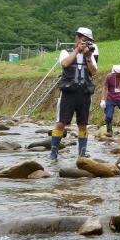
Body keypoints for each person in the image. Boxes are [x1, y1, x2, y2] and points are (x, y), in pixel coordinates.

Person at [50, 27, 98, 162]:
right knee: (61, 123)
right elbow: (65, 63)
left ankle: (82, 155)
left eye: (89, 41)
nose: (86, 43)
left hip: (84, 94)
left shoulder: (90, 55)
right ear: (77, 38)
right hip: (68, 93)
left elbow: (93, 72)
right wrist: (77, 50)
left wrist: (88, 57)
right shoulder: (65, 52)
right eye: (84, 40)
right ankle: (54, 154)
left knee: (83, 124)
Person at [100, 64, 120, 135]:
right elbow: (105, 88)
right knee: (108, 116)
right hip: (110, 99)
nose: (119, 75)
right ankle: (109, 131)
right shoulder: (109, 76)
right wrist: (103, 100)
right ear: (114, 72)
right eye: (118, 73)